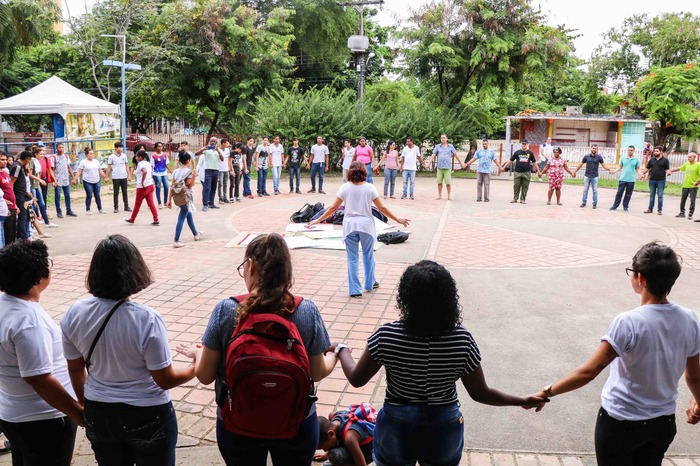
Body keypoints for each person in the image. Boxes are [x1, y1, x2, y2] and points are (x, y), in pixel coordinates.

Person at [332, 260, 547, 466]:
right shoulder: (461, 340)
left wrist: (342, 350)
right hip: (443, 427)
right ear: (448, 298)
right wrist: (521, 400)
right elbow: (480, 393)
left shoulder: (386, 336)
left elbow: (357, 379)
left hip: (396, 425)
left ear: (405, 297)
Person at [531, 242, 700, 466]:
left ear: (641, 279)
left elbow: (588, 372)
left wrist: (547, 391)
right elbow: (694, 376)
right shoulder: (690, 319)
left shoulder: (628, 322)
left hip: (620, 422)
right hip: (663, 423)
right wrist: (697, 401)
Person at [191, 232, 339, 465]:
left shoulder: (226, 310)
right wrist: (333, 355)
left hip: (237, 423)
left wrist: (198, 353)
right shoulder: (306, 310)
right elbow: (317, 372)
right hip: (296, 421)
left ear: (249, 265)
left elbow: (205, 375)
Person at [61, 235, 196, 465]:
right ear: (135, 270)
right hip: (147, 414)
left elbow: (75, 369)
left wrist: (87, 404)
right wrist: (196, 365)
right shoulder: (146, 319)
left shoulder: (74, 313)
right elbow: (165, 379)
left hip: (99, 412)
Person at [0, 240, 84, 466]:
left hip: (13, 413)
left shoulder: (4, 304)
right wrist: (78, 413)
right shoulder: (28, 322)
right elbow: (38, 378)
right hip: (43, 419)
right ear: (37, 277)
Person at [309, 162, 410, 298]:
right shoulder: (370, 188)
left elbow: (333, 208)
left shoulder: (345, 188)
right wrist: (398, 219)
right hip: (366, 226)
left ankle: (355, 290)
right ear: (364, 172)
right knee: (368, 255)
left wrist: (318, 220)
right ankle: (369, 284)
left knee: (352, 258)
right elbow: (382, 208)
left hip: (350, 225)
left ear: (350, 172)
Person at [167, 151, 203, 248]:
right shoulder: (189, 172)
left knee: (188, 214)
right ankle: (176, 240)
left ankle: (196, 234)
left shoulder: (175, 172)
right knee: (182, 217)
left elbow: (172, 186)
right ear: (188, 160)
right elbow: (190, 185)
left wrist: (169, 200)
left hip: (177, 196)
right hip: (186, 196)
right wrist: (195, 176)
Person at [125, 150, 159, 226]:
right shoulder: (148, 163)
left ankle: (132, 218)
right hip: (150, 185)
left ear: (140, 157)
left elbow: (144, 171)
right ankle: (156, 218)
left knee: (137, 203)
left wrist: (142, 182)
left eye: (137, 156)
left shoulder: (140, 164)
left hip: (142, 187)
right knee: (151, 203)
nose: (136, 158)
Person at [572, 144, 612, 209]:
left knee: (595, 191)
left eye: (595, 148)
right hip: (587, 176)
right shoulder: (586, 157)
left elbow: (604, 165)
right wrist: (575, 172)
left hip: (595, 176)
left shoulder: (599, 157)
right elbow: (580, 164)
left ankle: (594, 204)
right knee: (585, 190)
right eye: (593, 148)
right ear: (591, 149)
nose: (594, 149)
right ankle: (584, 202)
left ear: (597, 150)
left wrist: (609, 169)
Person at [501, 139, 540, 204]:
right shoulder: (517, 152)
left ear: (527, 145)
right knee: (516, 185)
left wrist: (538, 171)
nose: (523, 145)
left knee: (525, 186)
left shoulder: (530, 153)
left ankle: (523, 199)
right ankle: (515, 198)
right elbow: (510, 161)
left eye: (525, 144)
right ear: (521, 144)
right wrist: (504, 167)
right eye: (522, 144)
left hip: (526, 172)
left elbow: (534, 162)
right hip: (517, 172)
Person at [74, 148, 107, 215]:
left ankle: (100, 208)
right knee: (89, 195)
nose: (92, 155)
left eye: (93, 154)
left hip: (96, 180)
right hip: (87, 181)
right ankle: (88, 209)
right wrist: (75, 178)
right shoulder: (83, 162)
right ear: (86, 154)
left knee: (97, 195)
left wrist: (105, 177)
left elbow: (100, 170)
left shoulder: (96, 161)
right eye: (90, 154)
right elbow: (79, 171)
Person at [28, 147, 56, 227]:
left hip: (36, 185)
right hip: (32, 185)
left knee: (42, 203)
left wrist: (39, 180)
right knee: (33, 205)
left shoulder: (38, 162)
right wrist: (39, 180)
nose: (42, 156)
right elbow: (30, 174)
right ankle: (32, 224)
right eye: (41, 154)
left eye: (43, 154)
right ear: (36, 154)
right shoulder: (32, 161)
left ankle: (47, 222)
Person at [667, 152, 700, 220]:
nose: (688, 158)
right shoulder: (687, 164)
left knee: (692, 201)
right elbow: (679, 168)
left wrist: (698, 182)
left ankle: (690, 213)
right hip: (685, 185)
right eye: (688, 157)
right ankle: (682, 212)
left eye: (690, 157)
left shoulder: (698, 165)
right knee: (683, 200)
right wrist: (671, 171)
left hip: (693, 186)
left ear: (694, 157)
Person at [426, 134, 460, 200]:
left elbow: (455, 155)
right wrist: (428, 163)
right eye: (441, 138)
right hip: (439, 167)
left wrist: (461, 163)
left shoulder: (450, 146)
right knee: (439, 182)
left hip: (447, 167)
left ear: (447, 139)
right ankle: (439, 195)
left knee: (448, 182)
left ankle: (449, 195)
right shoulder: (438, 146)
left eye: (444, 138)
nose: (442, 139)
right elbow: (433, 155)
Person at [196, 137, 224, 211]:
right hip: (208, 170)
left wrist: (218, 151)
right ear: (210, 142)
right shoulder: (206, 150)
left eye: (214, 141)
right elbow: (196, 154)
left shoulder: (218, 150)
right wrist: (204, 149)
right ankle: (205, 204)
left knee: (214, 188)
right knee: (206, 188)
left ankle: (211, 203)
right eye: (212, 141)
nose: (213, 143)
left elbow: (222, 159)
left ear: (216, 142)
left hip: (216, 170)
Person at [609, 146, 641, 212]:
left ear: (633, 151)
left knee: (628, 194)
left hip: (631, 180)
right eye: (629, 150)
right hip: (623, 179)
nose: (630, 151)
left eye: (631, 150)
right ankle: (615, 206)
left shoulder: (636, 160)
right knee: (619, 193)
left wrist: (641, 174)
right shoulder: (623, 158)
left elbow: (637, 169)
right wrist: (614, 171)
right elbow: (619, 167)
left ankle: (625, 206)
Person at [11, 151, 34, 240]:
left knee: (25, 215)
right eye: (29, 159)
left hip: (23, 193)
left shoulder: (21, 167)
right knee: (22, 216)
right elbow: (12, 182)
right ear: (27, 159)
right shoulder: (17, 167)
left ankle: (24, 234)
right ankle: (23, 236)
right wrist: (13, 196)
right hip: (18, 195)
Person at [641, 146, 670, 215]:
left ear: (661, 152)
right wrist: (642, 174)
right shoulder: (652, 160)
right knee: (652, 195)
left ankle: (659, 210)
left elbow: (667, 169)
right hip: (652, 180)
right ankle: (650, 209)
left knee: (660, 195)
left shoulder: (665, 160)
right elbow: (647, 168)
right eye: (654, 151)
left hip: (661, 181)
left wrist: (668, 172)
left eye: (657, 151)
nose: (655, 152)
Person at [52, 143, 78, 218]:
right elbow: (52, 169)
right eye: (60, 147)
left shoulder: (66, 156)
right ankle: (59, 211)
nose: (61, 149)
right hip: (58, 179)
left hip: (65, 179)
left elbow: (69, 167)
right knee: (57, 196)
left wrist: (73, 177)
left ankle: (68, 210)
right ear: (56, 148)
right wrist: (54, 180)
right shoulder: (54, 157)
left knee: (67, 195)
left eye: (62, 147)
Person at [106, 142, 131, 213]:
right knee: (116, 192)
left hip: (123, 176)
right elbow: (109, 167)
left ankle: (126, 206)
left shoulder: (124, 156)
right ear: (116, 148)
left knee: (125, 192)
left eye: (122, 147)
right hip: (116, 177)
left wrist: (129, 175)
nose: (121, 149)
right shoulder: (111, 157)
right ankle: (116, 207)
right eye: (119, 147)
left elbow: (126, 166)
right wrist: (106, 176)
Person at [0, 152, 18, 245]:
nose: (5, 162)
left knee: (12, 233)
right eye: (2, 160)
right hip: (5, 208)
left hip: (12, 206)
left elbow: (10, 189)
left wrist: (16, 205)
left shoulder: (5, 173)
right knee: (6, 235)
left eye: (6, 159)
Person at [151, 142, 172, 209]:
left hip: (164, 173)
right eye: (158, 146)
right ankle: (159, 203)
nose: (160, 148)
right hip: (156, 173)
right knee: (158, 187)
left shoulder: (165, 155)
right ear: (155, 148)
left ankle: (165, 202)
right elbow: (152, 166)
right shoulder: (153, 156)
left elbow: (167, 164)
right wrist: (150, 174)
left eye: (161, 146)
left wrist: (171, 172)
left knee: (166, 187)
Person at [216, 138, 231, 203]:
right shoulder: (218, 150)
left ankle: (225, 197)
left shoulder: (227, 150)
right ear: (223, 143)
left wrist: (229, 168)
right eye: (227, 143)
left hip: (226, 169)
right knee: (220, 184)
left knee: (225, 184)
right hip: (220, 169)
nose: (228, 144)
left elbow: (228, 160)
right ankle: (220, 198)